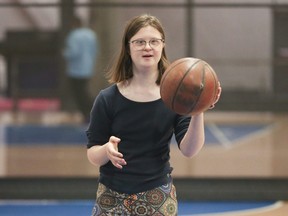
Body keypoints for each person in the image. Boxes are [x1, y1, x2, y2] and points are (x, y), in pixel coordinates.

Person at [86, 14, 221, 216]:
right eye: (139, 42)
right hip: (111, 196)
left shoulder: (177, 98)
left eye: (154, 41)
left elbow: (190, 150)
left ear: (162, 46)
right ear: (128, 47)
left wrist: (198, 109)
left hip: (157, 195)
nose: (147, 47)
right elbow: (92, 154)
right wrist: (106, 150)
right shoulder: (107, 99)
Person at [63, 15, 98, 122]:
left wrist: (64, 53)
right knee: (85, 91)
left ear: (73, 25)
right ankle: (92, 112)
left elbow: (74, 52)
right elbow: (95, 51)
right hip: (88, 67)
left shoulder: (73, 35)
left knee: (79, 94)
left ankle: (87, 113)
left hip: (76, 70)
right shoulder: (91, 35)